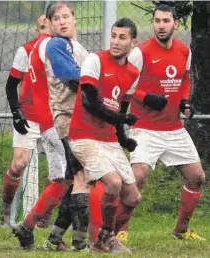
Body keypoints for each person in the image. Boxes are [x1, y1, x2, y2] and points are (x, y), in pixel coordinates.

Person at [115, 4, 206, 243]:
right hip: (145, 128)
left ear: (175, 24)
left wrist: (184, 102)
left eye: (166, 21)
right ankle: (119, 230)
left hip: (174, 128)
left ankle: (181, 231)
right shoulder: (140, 52)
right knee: (138, 176)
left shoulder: (184, 50)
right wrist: (147, 98)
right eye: (157, 21)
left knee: (197, 177)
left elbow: (185, 79)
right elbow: (126, 85)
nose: (161, 26)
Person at [11, 2, 90, 251]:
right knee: (67, 179)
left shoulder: (51, 45)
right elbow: (72, 79)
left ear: (74, 19)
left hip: (54, 119)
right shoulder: (56, 45)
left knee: (69, 178)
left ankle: (53, 235)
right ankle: (29, 225)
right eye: (57, 18)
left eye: (66, 17)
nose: (62, 22)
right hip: (56, 121)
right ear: (48, 22)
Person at [69, 17, 142, 253]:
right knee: (113, 183)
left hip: (108, 139)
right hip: (83, 135)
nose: (116, 41)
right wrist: (120, 120)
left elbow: (120, 108)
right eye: (113, 35)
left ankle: (105, 236)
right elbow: (89, 102)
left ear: (133, 42)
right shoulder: (94, 60)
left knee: (132, 198)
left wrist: (122, 138)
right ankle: (104, 239)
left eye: (122, 37)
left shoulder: (132, 72)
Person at [1, 14, 66, 229]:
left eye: (49, 27)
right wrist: (16, 113)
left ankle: (43, 215)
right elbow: (11, 85)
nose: (45, 31)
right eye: (41, 27)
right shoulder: (26, 50)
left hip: (54, 119)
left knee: (59, 171)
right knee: (19, 163)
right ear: (37, 30)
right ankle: (6, 212)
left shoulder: (63, 51)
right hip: (29, 117)